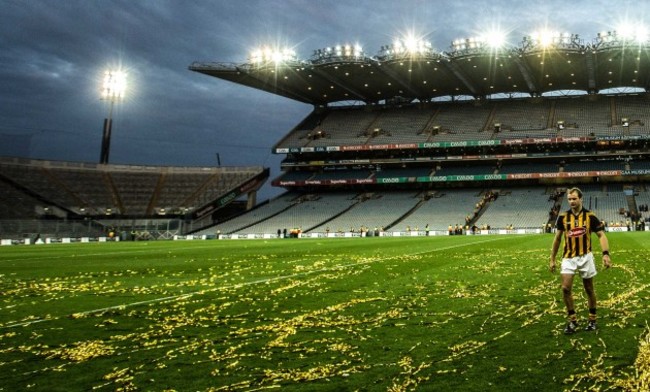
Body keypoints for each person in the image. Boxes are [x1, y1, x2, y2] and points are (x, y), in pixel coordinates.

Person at [550, 187, 612, 335]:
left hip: (586, 257)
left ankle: (592, 320)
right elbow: (557, 239)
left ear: (580, 199)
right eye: (569, 199)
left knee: (589, 289)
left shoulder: (590, 216)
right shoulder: (563, 217)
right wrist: (552, 258)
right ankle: (572, 321)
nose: (571, 201)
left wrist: (605, 254)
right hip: (568, 258)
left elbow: (601, 235)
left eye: (574, 199)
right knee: (565, 288)